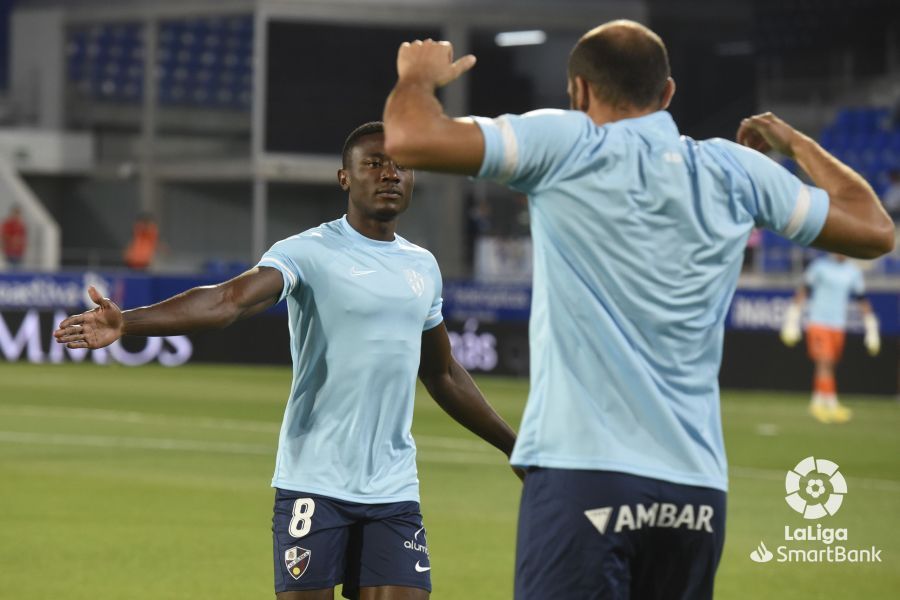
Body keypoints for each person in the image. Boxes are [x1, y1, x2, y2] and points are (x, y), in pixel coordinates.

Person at [382, 20, 893, 600]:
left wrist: (418, 79)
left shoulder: (568, 143)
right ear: (668, 93)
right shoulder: (736, 170)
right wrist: (796, 145)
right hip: (694, 488)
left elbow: (408, 138)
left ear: (579, 92)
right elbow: (875, 230)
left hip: (581, 473)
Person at [55, 121, 519, 600]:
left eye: (400, 165)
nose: (390, 174)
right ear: (345, 178)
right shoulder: (309, 251)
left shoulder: (422, 265)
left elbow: (442, 373)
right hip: (314, 481)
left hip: (393, 488)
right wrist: (128, 323)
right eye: (375, 163)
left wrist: (514, 445)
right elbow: (228, 300)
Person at [780, 253, 880, 423]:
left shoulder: (853, 271)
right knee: (823, 362)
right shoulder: (819, 267)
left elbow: (861, 299)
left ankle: (818, 401)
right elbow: (804, 291)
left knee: (831, 364)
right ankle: (831, 404)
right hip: (819, 322)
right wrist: (792, 318)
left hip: (838, 325)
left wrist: (871, 328)